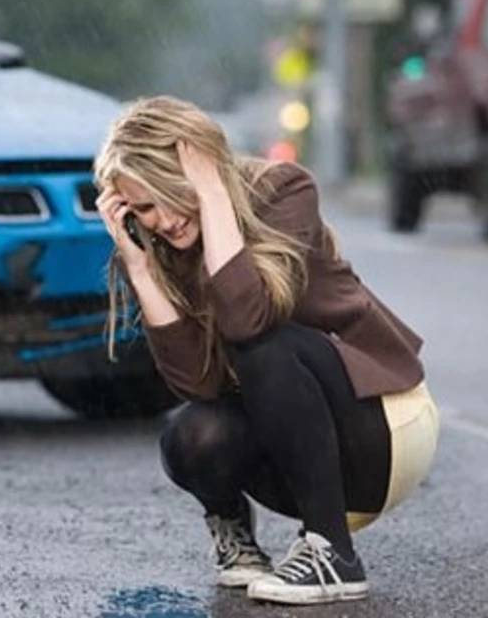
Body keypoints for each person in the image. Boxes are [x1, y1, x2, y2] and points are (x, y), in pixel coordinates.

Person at [92, 96, 440, 607]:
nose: (161, 220)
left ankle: (333, 556)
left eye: (170, 193)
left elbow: (248, 320)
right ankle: (240, 540)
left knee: (264, 347)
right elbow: (199, 386)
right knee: (190, 435)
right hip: (301, 461)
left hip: (383, 429)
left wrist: (211, 195)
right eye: (143, 208)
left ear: (200, 169)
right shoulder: (160, 248)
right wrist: (142, 272)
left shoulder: (283, 190)